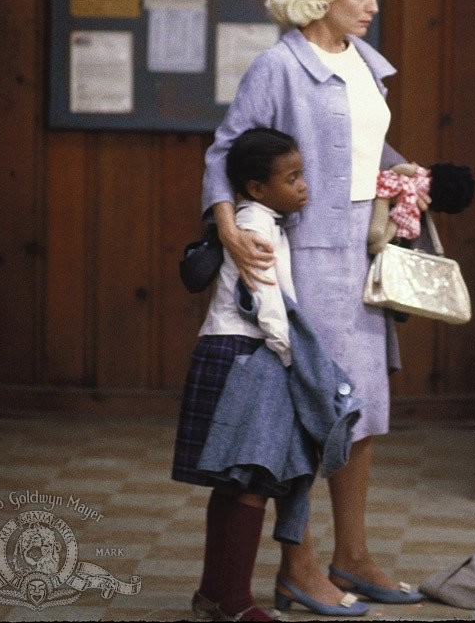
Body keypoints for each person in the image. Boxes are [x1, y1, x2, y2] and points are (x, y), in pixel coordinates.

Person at [199, 0, 426, 615]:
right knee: (310, 413)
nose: (372, 6)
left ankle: (350, 556)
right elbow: (225, 151)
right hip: (304, 258)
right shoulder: (278, 66)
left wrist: (406, 171)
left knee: (362, 413)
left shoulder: (362, 63)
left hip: (361, 251)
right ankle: (295, 565)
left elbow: (361, 145)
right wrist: (228, 226)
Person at [172, 126, 309, 622]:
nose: (302, 186)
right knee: (252, 479)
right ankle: (235, 603)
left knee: (231, 482)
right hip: (248, 355)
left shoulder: (259, 217)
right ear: (255, 186)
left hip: (227, 350)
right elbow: (266, 300)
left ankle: (213, 595)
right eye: (291, 177)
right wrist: (294, 361)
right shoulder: (256, 224)